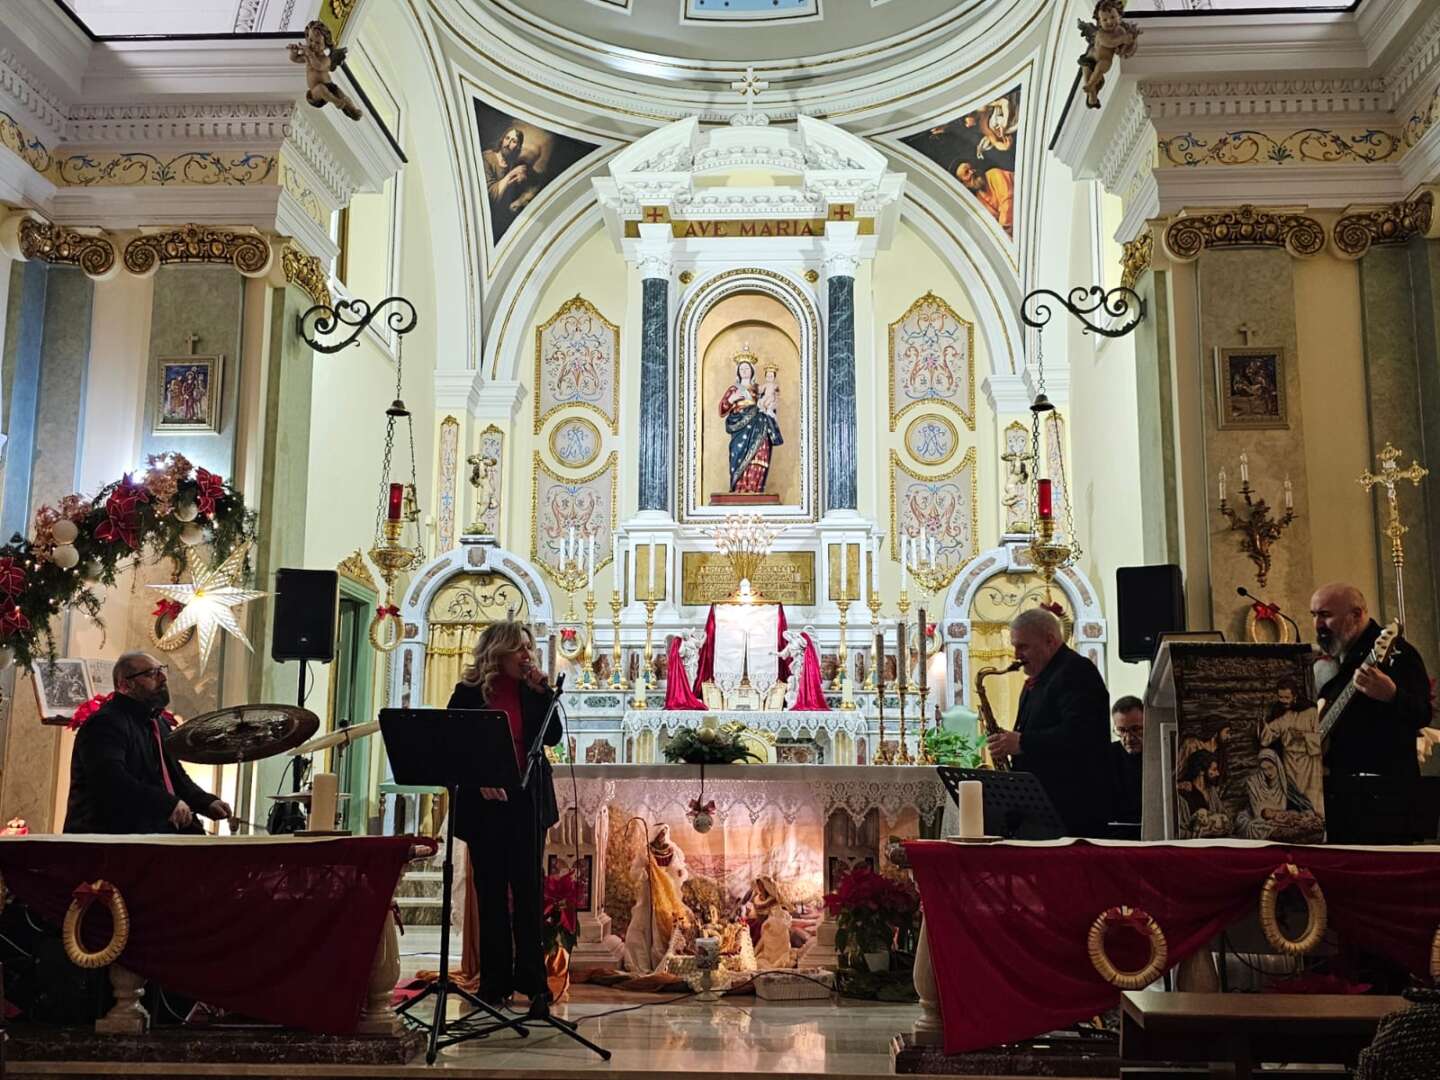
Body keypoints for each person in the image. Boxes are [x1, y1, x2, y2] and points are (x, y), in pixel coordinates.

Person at [448, 621, 562, 1014]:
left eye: (529, 648)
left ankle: (534, 983)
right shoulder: (467, 693)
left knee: (529, 893)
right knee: (491, 892)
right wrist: (477, 779)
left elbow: (553, 738)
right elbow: (452, 747)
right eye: (520, 649)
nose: (527, 655)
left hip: (526, 803)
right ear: (498, 652)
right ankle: (495, 982)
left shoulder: (533, 693)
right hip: (485, 806)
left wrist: (545, 692)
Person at [1310, 582, 1430, 844]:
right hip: (1346, 800)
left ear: (1356, 614)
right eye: (1314, 615)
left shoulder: (1399, 655)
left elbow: (1422, 714)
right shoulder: (1342, 666)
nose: (1318, 624)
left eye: (1326, 615)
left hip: (1386, 804)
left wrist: (1392, 696)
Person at [64, 653, 231, 834]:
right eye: (152, 674)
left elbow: (176, 777)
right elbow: (111, 781)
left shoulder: (158, 722)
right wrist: (168, 804)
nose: (163, 677)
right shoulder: (105, 723)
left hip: (152, 834)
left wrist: (206, 802)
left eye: (162, 670)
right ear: (125, 685)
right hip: (109, 840)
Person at [985, 608, 1113, 836]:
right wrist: (1008, 740)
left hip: (1072, 809)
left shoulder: (1076, 671)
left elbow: (1081, 735)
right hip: (1043, 810)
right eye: (1015, 646)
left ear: (1050, 641)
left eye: (1023, 646)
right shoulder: (1038, 680)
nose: (1016, 654)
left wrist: (1022, 742)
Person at [622, 824, 689, 974]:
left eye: (665, 833)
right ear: (655, 834)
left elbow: (678, 869)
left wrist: (679, 873)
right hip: (650, 889)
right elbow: (634, 873)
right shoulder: (646, 851)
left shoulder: (672, 849)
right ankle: (644, 960)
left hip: (667, 889)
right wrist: (645, 871)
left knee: (666, 919)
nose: (663, 836)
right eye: (660, 833)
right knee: (647, 921)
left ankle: (663, 959)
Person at [719, 358, 784, 494]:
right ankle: (740, 489)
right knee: (739, 454)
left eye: (747, 368)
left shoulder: (758, 388)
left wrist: (771, 399)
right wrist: (732, 399)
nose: (744, 371)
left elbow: (769, 401)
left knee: (760, 453)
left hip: (758, 424)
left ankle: (755, 489)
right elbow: (722, 409)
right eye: (741, 369)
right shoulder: (734, 389)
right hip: (739, 427)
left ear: (752, 371)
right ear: (738, 372)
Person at [1108, 696, 1144, 826]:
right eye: (1122, 730)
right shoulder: (1107, 755)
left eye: (1136, 729)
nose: (1128, 738)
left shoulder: (1163, 752)